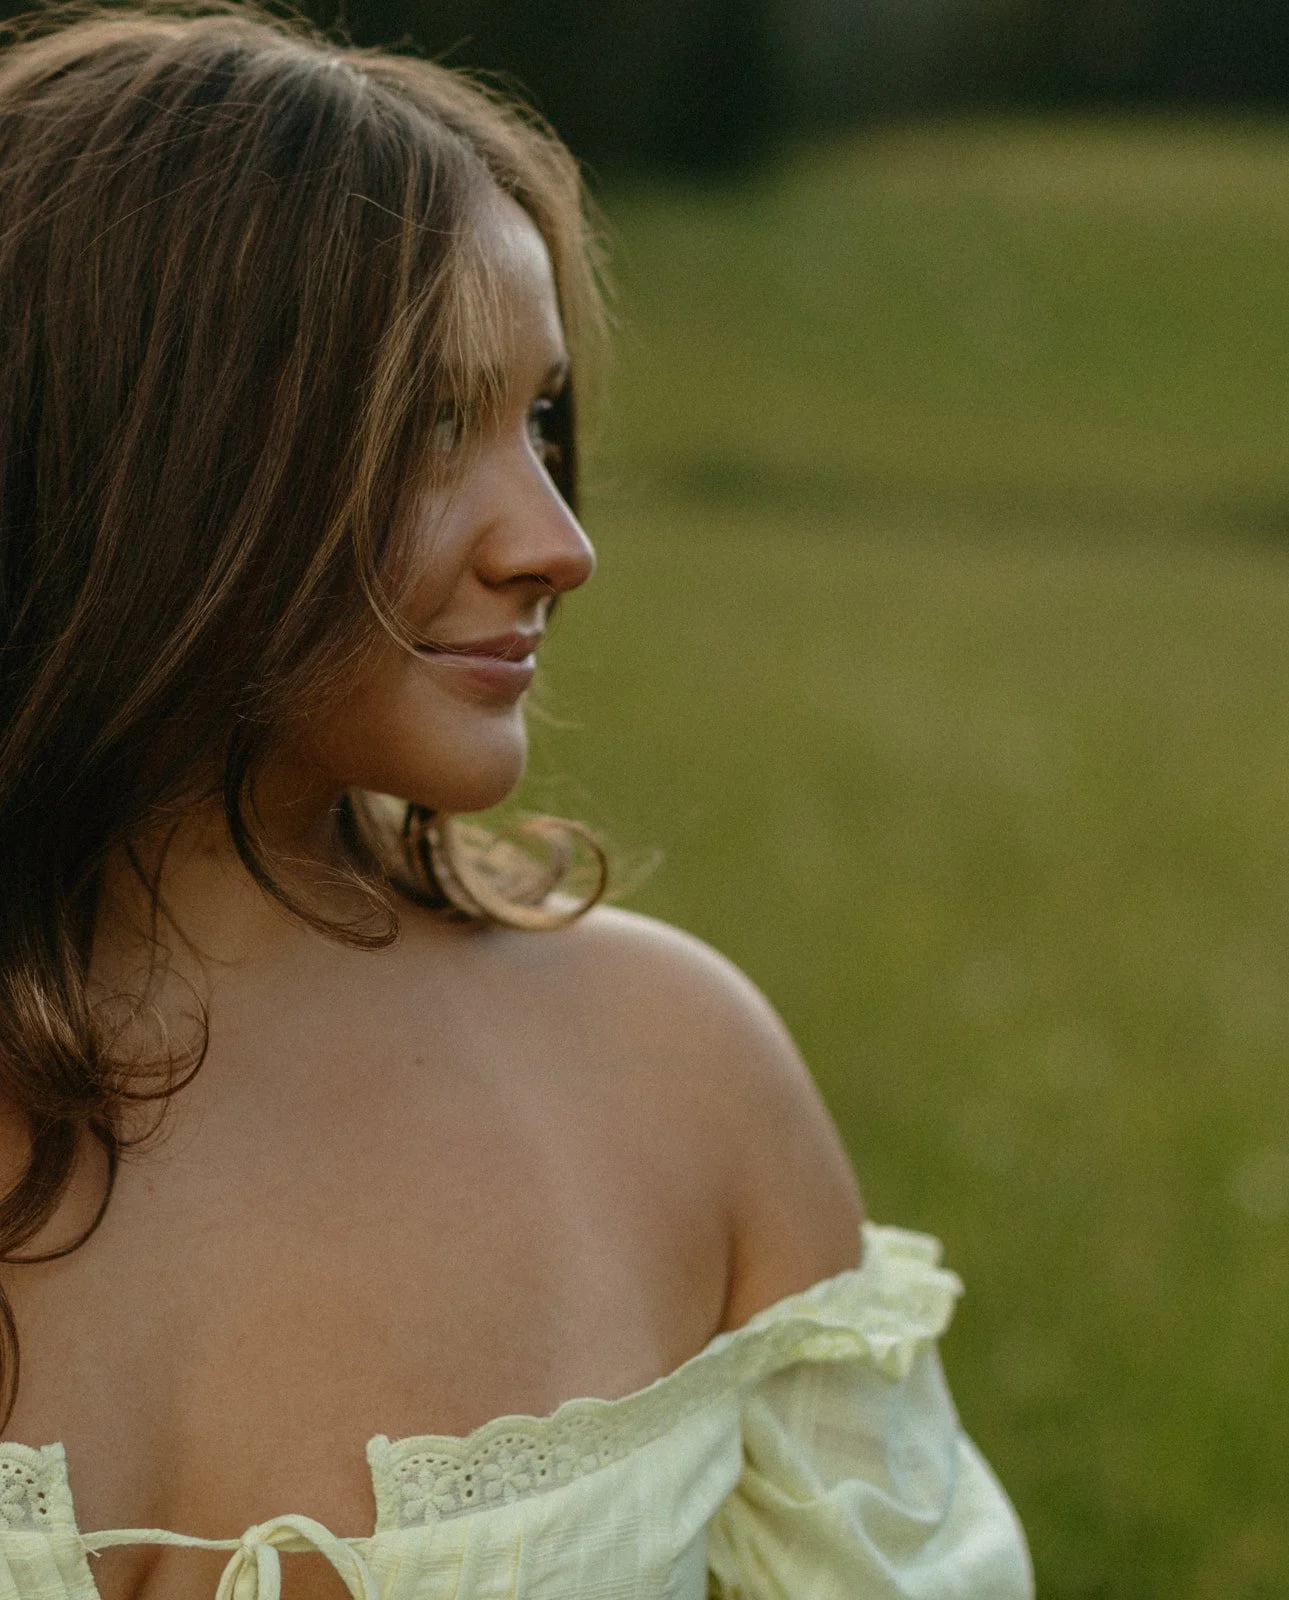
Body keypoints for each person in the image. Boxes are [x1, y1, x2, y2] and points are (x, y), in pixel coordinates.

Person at [0, 6, 1033, 1598]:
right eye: (430, 424)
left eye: (540, 422)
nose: (558, 541)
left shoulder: (676, 1077)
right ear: (142, 454)